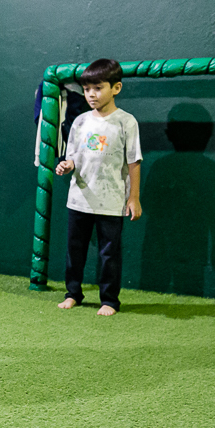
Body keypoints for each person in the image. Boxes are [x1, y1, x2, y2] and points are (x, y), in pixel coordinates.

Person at [55, 58, 142, 315]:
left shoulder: (126, 122)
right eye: (87, 89)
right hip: (79, 199)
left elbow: (134, 161)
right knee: (75, 250)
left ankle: (109, 301)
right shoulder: (80, 122)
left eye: (98, 88)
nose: (91, 94)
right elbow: (72, 157)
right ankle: (73, 293)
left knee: (109, 254)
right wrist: (66, 166)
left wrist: (133, 197)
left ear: (116, 88)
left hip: (112, 201)